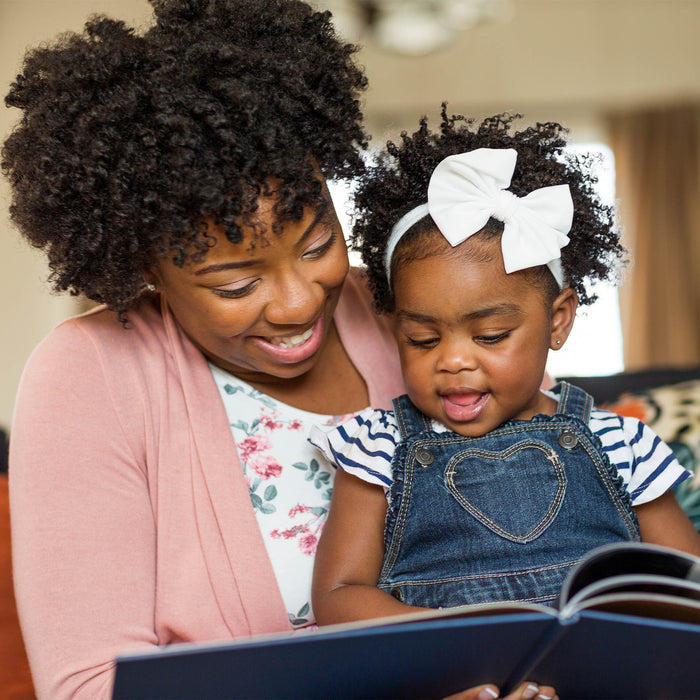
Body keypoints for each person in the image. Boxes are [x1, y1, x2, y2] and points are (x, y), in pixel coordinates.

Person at [2, 2, 557, 699]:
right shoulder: (89, 375)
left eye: (318, 244)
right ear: (145, 262)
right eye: (234, 283)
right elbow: (87, 687)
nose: (298, 302)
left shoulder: (412, 318)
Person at [310, 109, 700, 625]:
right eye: (421, 339)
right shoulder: (378, 447)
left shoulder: (620, 443)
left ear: (558, 320)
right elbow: (338, 595)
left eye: (490, 336)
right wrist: (457, 642)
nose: (451, 360)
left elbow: (687, 589)